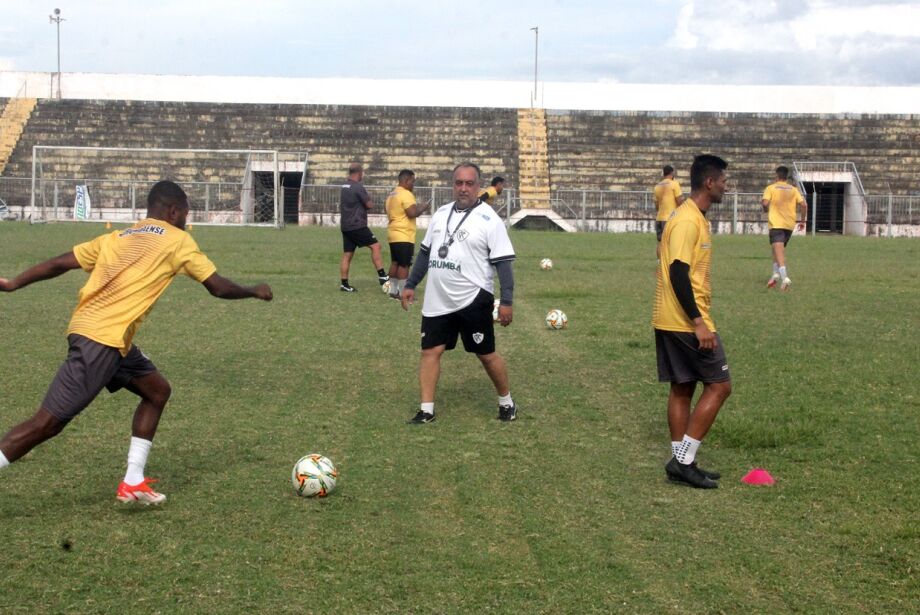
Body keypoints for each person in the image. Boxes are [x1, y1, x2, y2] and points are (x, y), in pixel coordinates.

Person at [0, 180, 273, 504]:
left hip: (105, 336)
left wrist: (14, 283)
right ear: (173, 211)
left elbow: (60, 262)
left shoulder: (119, 236)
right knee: (45, 425)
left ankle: (133, 480)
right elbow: (218, 287)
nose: (187, 220)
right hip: (100, 342)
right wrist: (254, 290)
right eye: (185, 213)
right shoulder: (178, 241)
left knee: (157, 391)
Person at [401, 163, 517, 423]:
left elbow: (504, 265)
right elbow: (425, 253)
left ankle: (506, 402)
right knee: (430, 351)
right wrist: (411, 284)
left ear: (478, 186)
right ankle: (426, 410)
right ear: (452, 185)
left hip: (473, 298)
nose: (463, 188)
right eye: (458, 183)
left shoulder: (490, 220)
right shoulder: (441, 214)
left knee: (486, 355)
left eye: (469, 183)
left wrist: (506, 301)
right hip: (437, 298)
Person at [652, 155, 732, 489]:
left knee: (682, 387)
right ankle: (683, 459)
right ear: (710, 182)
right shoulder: (687, 221)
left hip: (669, 317)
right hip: (686, 320)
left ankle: (681, 461)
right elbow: (678, 272)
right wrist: (699, 321)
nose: (727, 186)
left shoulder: (692, 217)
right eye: (724, 181)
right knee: (720, 385)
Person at [339, 163, 388, 292]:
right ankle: (382, 276)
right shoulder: (357, 187)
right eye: (362, 173)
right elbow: (369, 205)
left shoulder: (344, 186)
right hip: (357, 225)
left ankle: (344, 284)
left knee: (347, 254)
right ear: (359, 173)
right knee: (376, 246)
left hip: (345, 225)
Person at [385, 169, 430, 299]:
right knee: (404, 264)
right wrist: (423, 207)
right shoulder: (406, 194)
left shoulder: (391, 194)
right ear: (406, 180)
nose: (413, 184)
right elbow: (412, 213)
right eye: (412, 181)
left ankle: (393, 291)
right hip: (404, 234)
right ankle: (402, 292)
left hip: (393, 233)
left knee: (395, 262)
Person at [761, 166, 807, 291]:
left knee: (779, 251)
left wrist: (766, 209)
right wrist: (802, 221)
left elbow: (765, 203)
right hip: (789, 225)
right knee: (776, 249)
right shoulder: (793, 189)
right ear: (786, 177)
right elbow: (804, 205)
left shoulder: (771, 188)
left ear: (776, 176)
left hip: (776, 224)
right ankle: (774, 275)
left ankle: (785, 278)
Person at [653, 165, 686, 259]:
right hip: (670, 218)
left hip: (659, 218)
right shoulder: (674, 184)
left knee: (660, 242)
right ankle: (671, 261)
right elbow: (679, 201)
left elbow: (656, 206)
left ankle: (660, 262)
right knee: (673, 241)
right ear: (672, 173)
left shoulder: (657, 186)